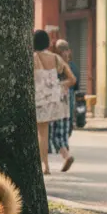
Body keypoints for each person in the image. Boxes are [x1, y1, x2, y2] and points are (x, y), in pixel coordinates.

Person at [34, 29, 75, 175]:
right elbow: (72, 79)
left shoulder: (33, 58)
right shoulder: (56, 58)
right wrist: (59, 86)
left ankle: (45, 167)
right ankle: (64, 156)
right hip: (56, 100)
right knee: (56, 134)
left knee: (42, 134)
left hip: (39, 101)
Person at [48, 38, 77, 172]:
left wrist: (59, 86)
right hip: (68, 101)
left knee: (54, 133)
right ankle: (66, 155)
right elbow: (74, 82)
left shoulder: (55, 62)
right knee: (63, 132)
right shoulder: (71, 66)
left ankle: (65, 156)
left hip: (56, 99)